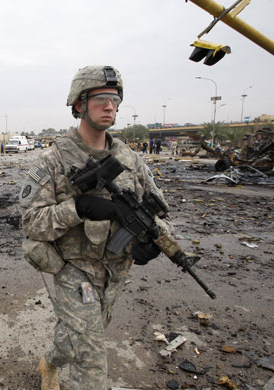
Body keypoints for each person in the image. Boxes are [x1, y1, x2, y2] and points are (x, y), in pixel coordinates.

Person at [19, 65, 174, 389]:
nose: (110, 106)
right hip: (74, 270)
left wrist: (154, 241)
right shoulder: (54, 160)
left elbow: (159, 213)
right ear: (79, 104)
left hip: (115, 272)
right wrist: (77, 208)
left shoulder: (131, 160)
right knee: (90, 354)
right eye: (101, 98)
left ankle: (49, 362)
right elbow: (31, 222)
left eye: (115, 99)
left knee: (83, 331)